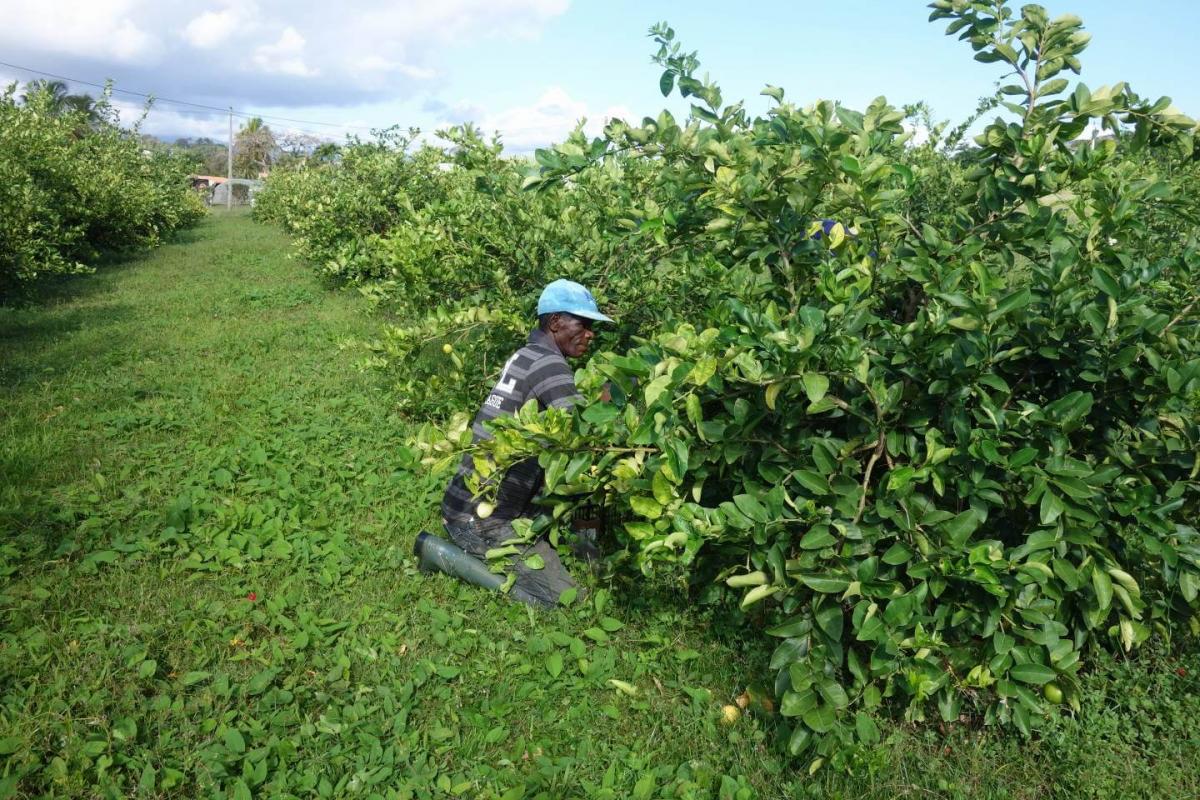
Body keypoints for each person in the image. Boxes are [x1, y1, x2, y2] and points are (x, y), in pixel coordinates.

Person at [440, 279, 613, 607]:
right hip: (483, 521)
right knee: (569, 601)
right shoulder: (550, 364)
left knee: (578, 485)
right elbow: (586, 435)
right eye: (583, 324)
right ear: (555, 322)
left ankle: (583, 556)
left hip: (463, 504)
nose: (590, 334)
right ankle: (443, 555)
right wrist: (612, 398)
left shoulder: (526, 355)